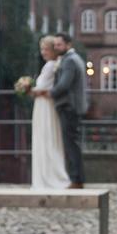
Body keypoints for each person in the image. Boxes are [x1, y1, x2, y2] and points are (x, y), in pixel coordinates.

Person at [36, 33, 88, 189]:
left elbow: (64, 85)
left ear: (68, 44)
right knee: (72, 143)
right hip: (72, 106)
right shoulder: (72, 59)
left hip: (69, 107)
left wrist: (47, 93)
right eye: (56, 44)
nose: (56, 47)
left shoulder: (70, 61)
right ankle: (76, 178)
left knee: (71, 144)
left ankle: (76, 180)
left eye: (59, 45)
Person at [30, 36, 71, 189]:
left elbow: (41, 89)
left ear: (53, 51)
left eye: (46, 49)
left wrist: (27, 89)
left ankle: (48, 176)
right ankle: (51, 174)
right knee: (49, 139)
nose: (43, 53)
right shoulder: (54, 65)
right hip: (46, 105)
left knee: (45, 138)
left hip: (44, 106)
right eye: (42, 49)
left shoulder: (50, 66)